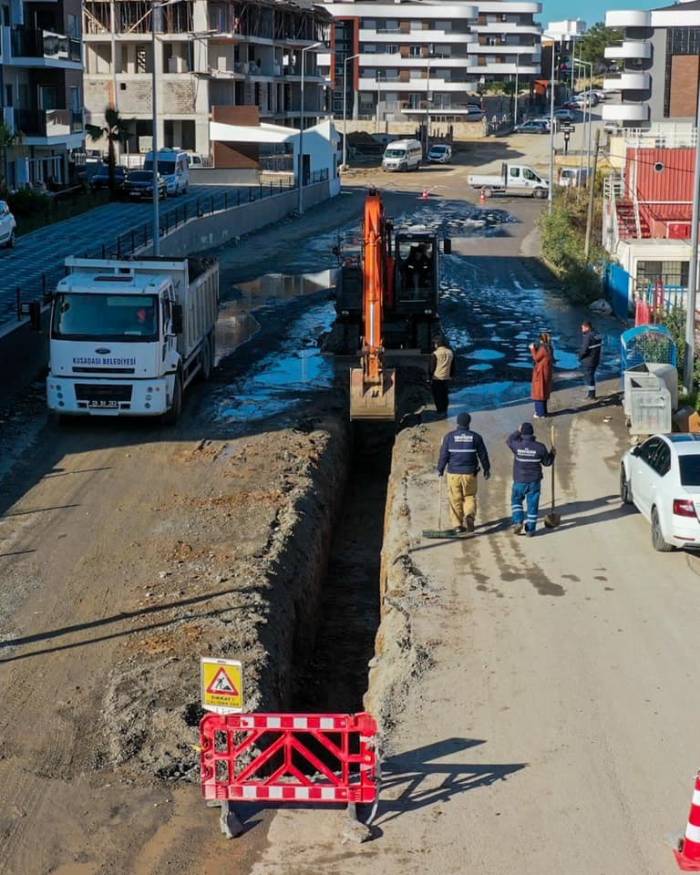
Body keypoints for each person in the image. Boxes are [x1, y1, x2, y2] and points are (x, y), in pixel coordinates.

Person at [437, 412, 491, 534]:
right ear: (469, 422)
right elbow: (483, 455)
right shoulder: (476, 437)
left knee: (455, 498)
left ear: (457, 422)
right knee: (469, 496)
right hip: (470, 474)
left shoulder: (449, 437)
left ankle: (457, 525)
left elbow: (444, 456)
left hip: (453, 474)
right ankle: (469, 516)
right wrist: (487, 469)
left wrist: (440, 469)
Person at [506, 422, 555, 537]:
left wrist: (517, 431)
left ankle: (518, 522)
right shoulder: (540, 447)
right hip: (534, 482)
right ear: (532, 433)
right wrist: (552, 454)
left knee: (516, 501)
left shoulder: (517, 445)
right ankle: (530, 530)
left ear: (522, 433)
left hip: (519, 480)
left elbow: (509, 440)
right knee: (532, 504)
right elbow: (547, 463)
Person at [529, 332, 554, 418]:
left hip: (541, 373)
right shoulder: (549, 347)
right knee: (544, 391)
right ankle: (544, 412)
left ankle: (540, 413)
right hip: (547, 372)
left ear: (541, 339)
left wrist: (532, 349)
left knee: (539, 392)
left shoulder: (543, 349)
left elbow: (536, 358)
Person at [430, 336, 455, 418]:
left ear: (438, 344)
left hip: (437, 378)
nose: (434, 345)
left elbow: (432, 367)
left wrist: (429, 376)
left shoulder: (435, 354)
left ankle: (440, 411)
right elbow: (453, 366)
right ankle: (445, 410)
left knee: (437, 395)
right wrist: (451, 375)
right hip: (446, 377)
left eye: (435, 343)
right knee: (444, 395)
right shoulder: (450, 352)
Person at [579, 321, 602, 400]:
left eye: (582, 328)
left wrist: (580, 356)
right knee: (591, 376)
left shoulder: (588, 336)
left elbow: (584, 350)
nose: (582, 329)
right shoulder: (597, 334)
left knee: (589, 377)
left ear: (587, 327)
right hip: (596, 359)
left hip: (588, 360)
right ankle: (591, 394)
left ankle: (591, 395)